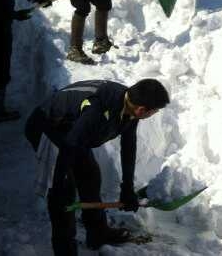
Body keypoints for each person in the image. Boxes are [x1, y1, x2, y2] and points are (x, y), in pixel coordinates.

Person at [25, 78, 170, 255]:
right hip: (48, 127)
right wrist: (58, 182)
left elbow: (128, 145)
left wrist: (127, 188)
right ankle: (65, 250)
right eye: (154, 111)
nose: (154, 114)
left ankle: (98, 234)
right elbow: (69, 146)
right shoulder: (98, 109)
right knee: (64, 194)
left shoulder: (130, 104)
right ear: (142, 110)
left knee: (90, 177)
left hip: (74, 131)